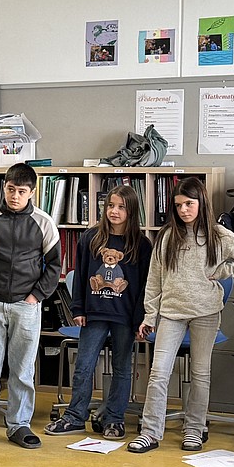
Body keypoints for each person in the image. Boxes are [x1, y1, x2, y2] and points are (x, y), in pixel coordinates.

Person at [127, 177, 234, 453]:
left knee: (200, 373)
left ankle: (194, 430)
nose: (184, 210)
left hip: (205, 313)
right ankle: (150, 432)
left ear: (201, 203)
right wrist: (149, 316)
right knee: (158, 373)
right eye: (178, 205)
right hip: (171, 313)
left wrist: (222, 272)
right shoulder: (167, 236)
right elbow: (154, 280)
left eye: (189, 204)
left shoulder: (219, 235)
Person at [0, 162, 61, 449]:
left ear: (32, 192)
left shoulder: (44, 223)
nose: (15, 196)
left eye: (21, 191)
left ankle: (19, 424)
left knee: (22, 369)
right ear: (4, 188)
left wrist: (35, 296)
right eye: (10, 189)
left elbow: (54, 266)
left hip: (26, 305)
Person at [44, 185, 152, 440]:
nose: (114, 211)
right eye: (110, 205)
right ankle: (74, 416)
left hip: (125, 317)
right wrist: (78, 308)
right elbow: (80, 275)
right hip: (93, 313)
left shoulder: (142, 245)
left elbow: (146, 285)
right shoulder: (90, 238)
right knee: (84, 365)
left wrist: (140, 319)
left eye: (121, 207)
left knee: (122, 368)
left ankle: (114, 419)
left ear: (131, 211)